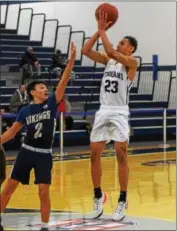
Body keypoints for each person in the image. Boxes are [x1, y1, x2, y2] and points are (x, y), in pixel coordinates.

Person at [0, 42, 76, 231]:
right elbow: (12, 132)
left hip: (44, 154)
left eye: (45, 87)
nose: (45, 89)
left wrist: (71, 61)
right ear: (33, 92)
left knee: (43, 191)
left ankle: (44, 226)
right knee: (9, 188)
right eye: (41, 87)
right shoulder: (25, 110)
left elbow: (63, 81)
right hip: (26, 152)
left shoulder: (51, 104)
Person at [82, 11, 138, 221]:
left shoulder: (131, 62)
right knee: (94, 154)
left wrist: (102, 30)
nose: (117, 44)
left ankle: (123, 200)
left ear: (130, 48)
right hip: (103, 109)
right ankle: (98, 197)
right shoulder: (108, 60)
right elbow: (86, 50)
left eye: (122, 42)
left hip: (120, 111)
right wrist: (98, 33)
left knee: (120, 154)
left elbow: (113, 53)